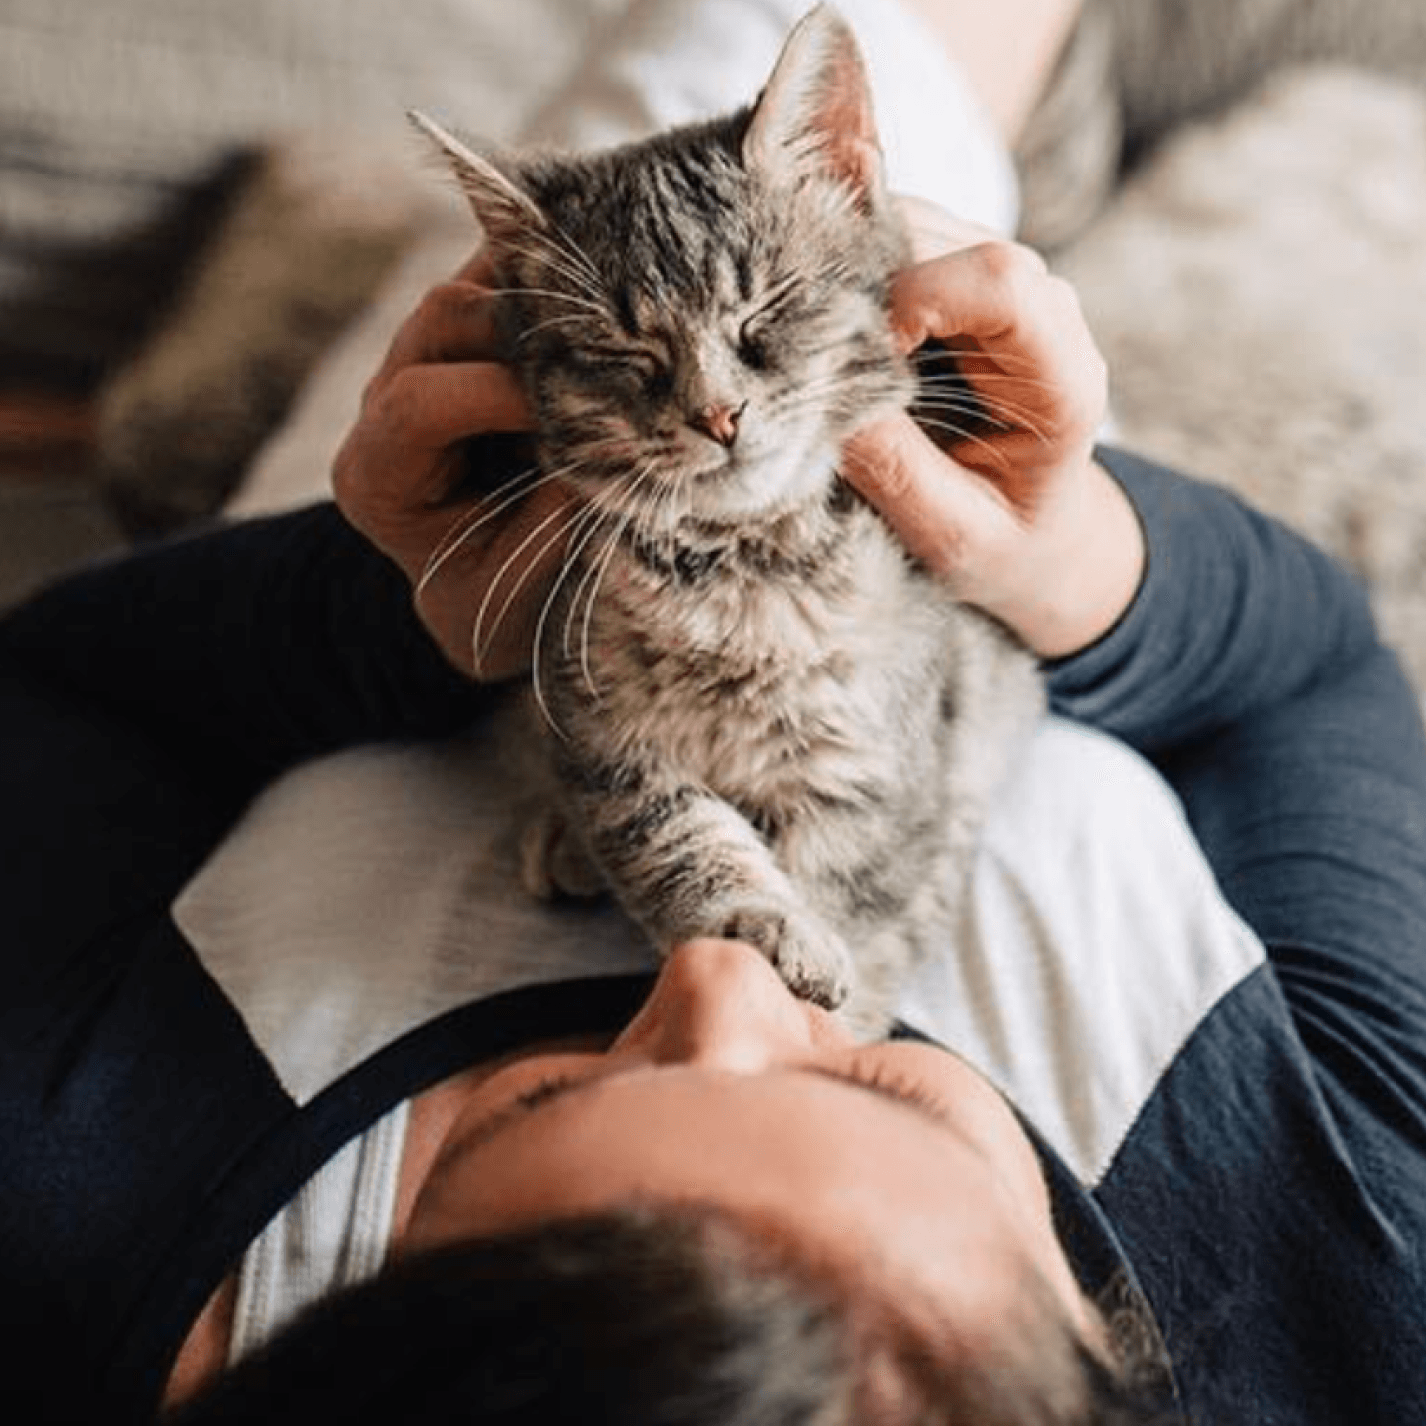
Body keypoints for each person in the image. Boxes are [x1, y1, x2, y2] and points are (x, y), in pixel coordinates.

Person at [4, 2, 1425, 1423]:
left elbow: (58, 680)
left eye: (535, 1106)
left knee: (715, 45)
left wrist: (400, 597)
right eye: (879, 1091)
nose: (712, 966)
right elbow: (1320, 670)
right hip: (908, 454)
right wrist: (1089, 566)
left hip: (512, 498)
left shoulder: (63, 1229)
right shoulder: (1362, 1260)